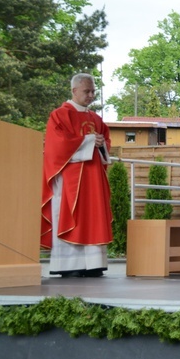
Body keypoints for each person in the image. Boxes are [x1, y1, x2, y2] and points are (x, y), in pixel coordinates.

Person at [41, 73, 113, 277]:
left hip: (93, 177)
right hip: (70, 177)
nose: (91, 95)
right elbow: (58, 145)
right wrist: (90, 141)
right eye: (86, 91)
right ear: (74, 91)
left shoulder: (95, 118)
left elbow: (105, 141)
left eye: (93, 92)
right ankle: (69, 265)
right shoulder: (60, 115)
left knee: (93, 216)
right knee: (70, 216)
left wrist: (100, 143)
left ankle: (93, 264)